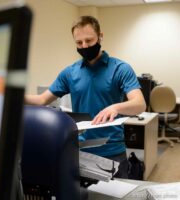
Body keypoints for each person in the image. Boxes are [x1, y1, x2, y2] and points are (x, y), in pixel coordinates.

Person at [24, 15, 146, 178]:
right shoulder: (70, 72)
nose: (84, 46)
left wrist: (116, 107)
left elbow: (139, 104)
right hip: (81, 151)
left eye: (89, 40)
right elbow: (41, 100)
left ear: (100, 36)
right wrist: (11, 93)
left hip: (113, 152)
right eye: (79, 43)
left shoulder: (120, 68)